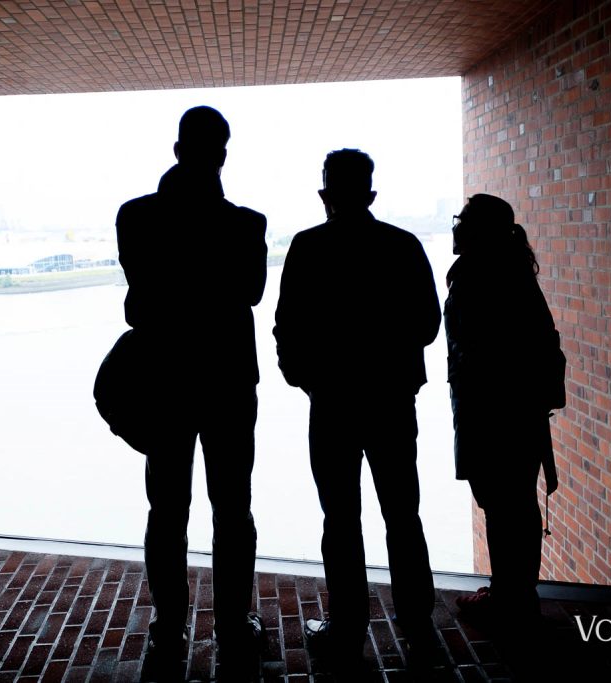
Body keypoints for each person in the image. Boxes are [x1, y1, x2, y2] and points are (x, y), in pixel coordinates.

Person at [273, 149, 442, 671]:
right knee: (403, 515)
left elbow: (287, 330)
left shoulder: (307, 248)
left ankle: (347, 625)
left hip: (332, 403)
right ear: (371, 193)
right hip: (392, 402)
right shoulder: (403, 245)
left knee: (340, 518)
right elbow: (429, 325)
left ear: (325, 193)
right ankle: (418, 627)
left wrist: (310, 381)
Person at [115, 106, 267, 681]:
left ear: (177, 149)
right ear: (222, 155)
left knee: (166, 507)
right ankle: (232, 623)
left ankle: (168, 624)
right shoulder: (247, 225)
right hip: (228, 380)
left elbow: (141, 292)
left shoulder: (135, 217)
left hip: (165, 379)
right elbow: (249, 292)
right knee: (233, 508)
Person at [443, 194, 561, 641]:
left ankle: (508, 601)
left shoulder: (478, 273)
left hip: (490, 411)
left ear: (476, 229)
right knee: (517, 506)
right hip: (518, 411)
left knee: (501, 505)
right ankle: (517, 597)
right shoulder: (511, 269)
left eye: (460, 219)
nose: (454, 226)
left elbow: (475, 352)